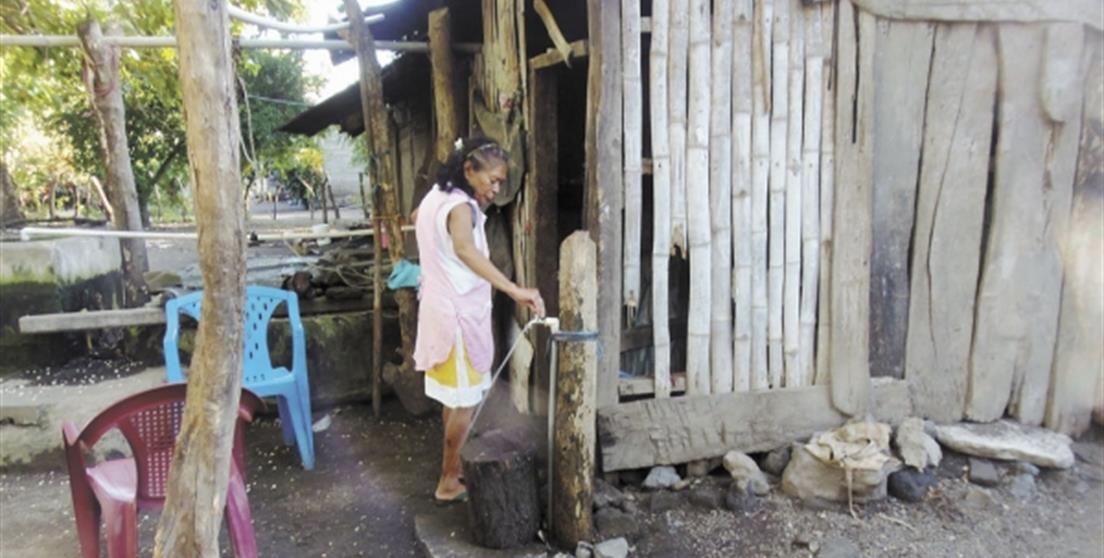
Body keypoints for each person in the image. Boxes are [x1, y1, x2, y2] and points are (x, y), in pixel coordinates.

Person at [413, 137, 545, 503]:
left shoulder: (434, 199)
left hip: (440, 312)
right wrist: (514, 289)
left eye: (501, 182)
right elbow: (464, 249)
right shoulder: (461, 208)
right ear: (469, 170)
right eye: (493, 180)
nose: (497, 188)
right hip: (457, 319)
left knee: (454, 401)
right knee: (464, 403)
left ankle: (452, 470)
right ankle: (448, 481)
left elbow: (423, 227)